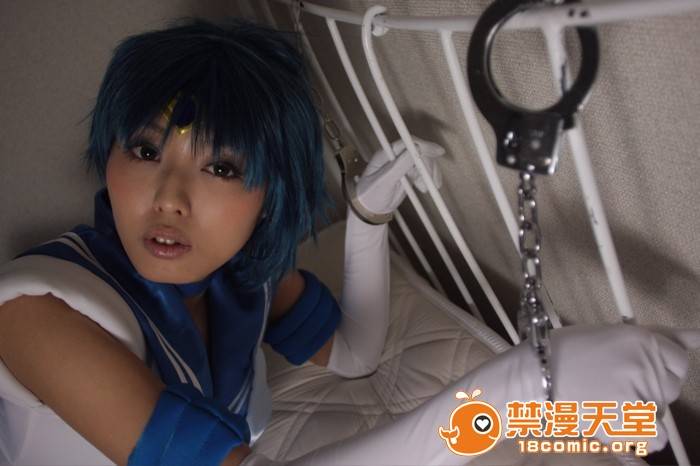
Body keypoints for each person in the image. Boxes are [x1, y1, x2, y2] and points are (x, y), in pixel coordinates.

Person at [0, 16, 696, 466]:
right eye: (146, 150)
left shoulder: (242, 275)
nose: (169, 198)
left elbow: (357, 357)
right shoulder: (35, 312)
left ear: (270, 194)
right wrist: (514, 391)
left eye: (223, 167)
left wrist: (366, 221)